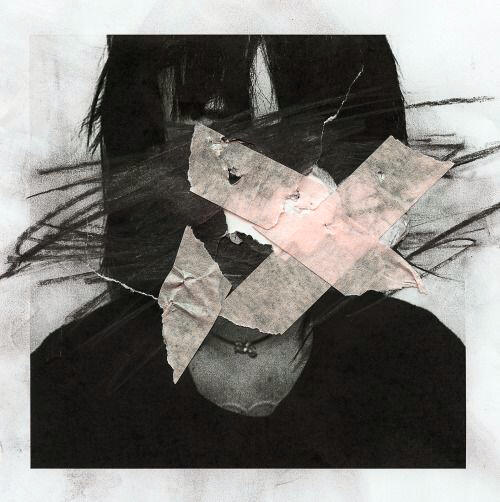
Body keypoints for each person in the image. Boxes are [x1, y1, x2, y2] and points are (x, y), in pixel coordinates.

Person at [26, 36, 464, 467]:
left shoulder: (425, 365)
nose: (261, 185)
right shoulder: (69, 381)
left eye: (305, 130)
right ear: (148, 147)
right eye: (206, 125)